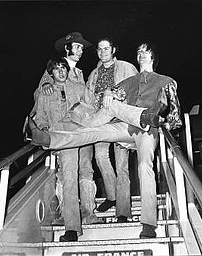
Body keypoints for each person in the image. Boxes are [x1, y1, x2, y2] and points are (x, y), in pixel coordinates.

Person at [27, 41, 183, 239]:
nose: (142, 55)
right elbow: (105, 96)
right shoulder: (126, 80)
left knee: (144, 166)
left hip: (148, 131)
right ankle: (49, 139)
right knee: (96, 127)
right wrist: (109, 93)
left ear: (153, 57)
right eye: (139, 52)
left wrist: (164, 126)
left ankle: (148, 224)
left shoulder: (166, 81)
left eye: (146, 52)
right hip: (124, 125)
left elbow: (175, 119)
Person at [31, 32, 100, 229]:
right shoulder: (51, 70)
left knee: (86, 168)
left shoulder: (78, 73)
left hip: (80, 130)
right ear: (67, 49)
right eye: (76, 47)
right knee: (65, 173)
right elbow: (40, 98)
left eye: (81, 48)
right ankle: (65, 213)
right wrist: (45, 85)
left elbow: (87, 100)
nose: (80, 51)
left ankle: (88, 211)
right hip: (61, 132)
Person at [84, 37, 138, 221]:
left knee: (121, 166)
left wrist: (113, 93)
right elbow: (88, 99)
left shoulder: (126, 67)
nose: (103, 52)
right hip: (101, 122)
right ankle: (112, 197)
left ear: (114, 50)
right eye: (100, 49)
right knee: (100, 157)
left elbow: (135, 90)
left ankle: (123, 211)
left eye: (106, 49)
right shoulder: (93, 74)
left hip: (121, 121)